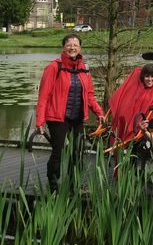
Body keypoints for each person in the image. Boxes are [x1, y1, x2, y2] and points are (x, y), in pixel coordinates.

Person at [35, 34, 105, 192]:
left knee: (78, 152)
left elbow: (90, 96)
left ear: (80, 48)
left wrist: (99, 112)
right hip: (58, 118)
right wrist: (40, 121)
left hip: (77, 118)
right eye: (69, 45)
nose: (72, 48)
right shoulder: (54, 67)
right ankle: (53, 186)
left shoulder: (84, 70)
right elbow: (43, 97)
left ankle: (75, 184)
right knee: (58, 152)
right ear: (63, 47)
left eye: (75, 45)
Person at [109, 63, 153, 162]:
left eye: (152, 76)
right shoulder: (137, 89)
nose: (150, 79)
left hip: (148, 123)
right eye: (147, 76)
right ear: (142, 77)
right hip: (134, 121)